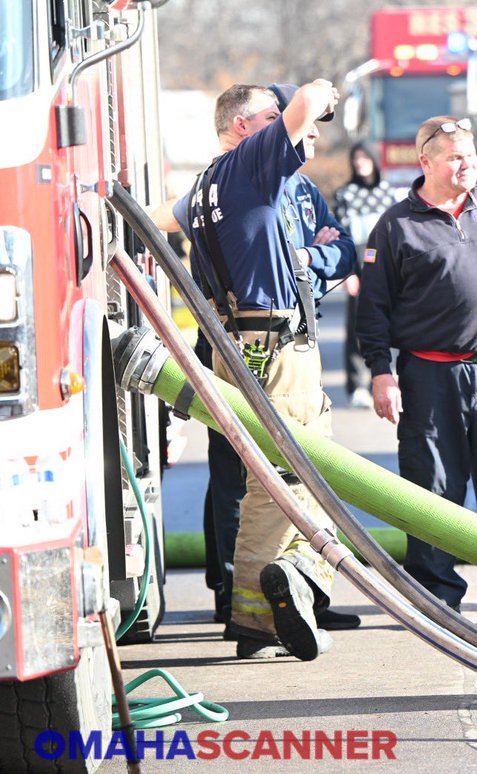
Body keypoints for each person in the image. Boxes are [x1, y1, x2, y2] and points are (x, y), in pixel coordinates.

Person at [153, 80, 344, 660]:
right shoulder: (252, 163)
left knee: (274, 473)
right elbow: (310, 96)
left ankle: (294, 587)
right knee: (295, 475)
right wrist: (323, 98)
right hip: (276, 341)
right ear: (244, 127)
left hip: (229, 342)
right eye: (277, 119)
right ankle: (272, 600)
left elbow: (161, 220)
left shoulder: (206, 182)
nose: (305, 133)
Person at [356, 115, 477, 630]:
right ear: (425, 161)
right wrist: (381, 372)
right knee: (431, 488)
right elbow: (373, 306)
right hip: (428, 375)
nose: (466, 164)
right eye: (453, 156)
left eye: (470, 154)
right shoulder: (397, 224)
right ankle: (437, 598)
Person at [333, 142, 401, 408]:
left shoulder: (388, 194)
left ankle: (385, 379)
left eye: (364, 157)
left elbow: (397, 236)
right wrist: (347, 273)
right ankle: (357, 384)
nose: (360, 162)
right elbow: (341, 238)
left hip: (387, 268)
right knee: (357, 327)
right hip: (359, 268)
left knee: (391, 325)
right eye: (355, 158)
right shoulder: (345, 194)